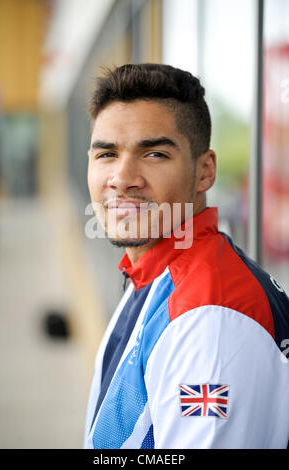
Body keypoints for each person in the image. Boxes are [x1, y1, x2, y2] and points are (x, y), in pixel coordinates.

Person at [83, 63, 289, 449]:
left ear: (204, 172)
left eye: (155, 153)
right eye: (107, 154)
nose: (123, 177)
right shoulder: (154, 271)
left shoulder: (208, 314)